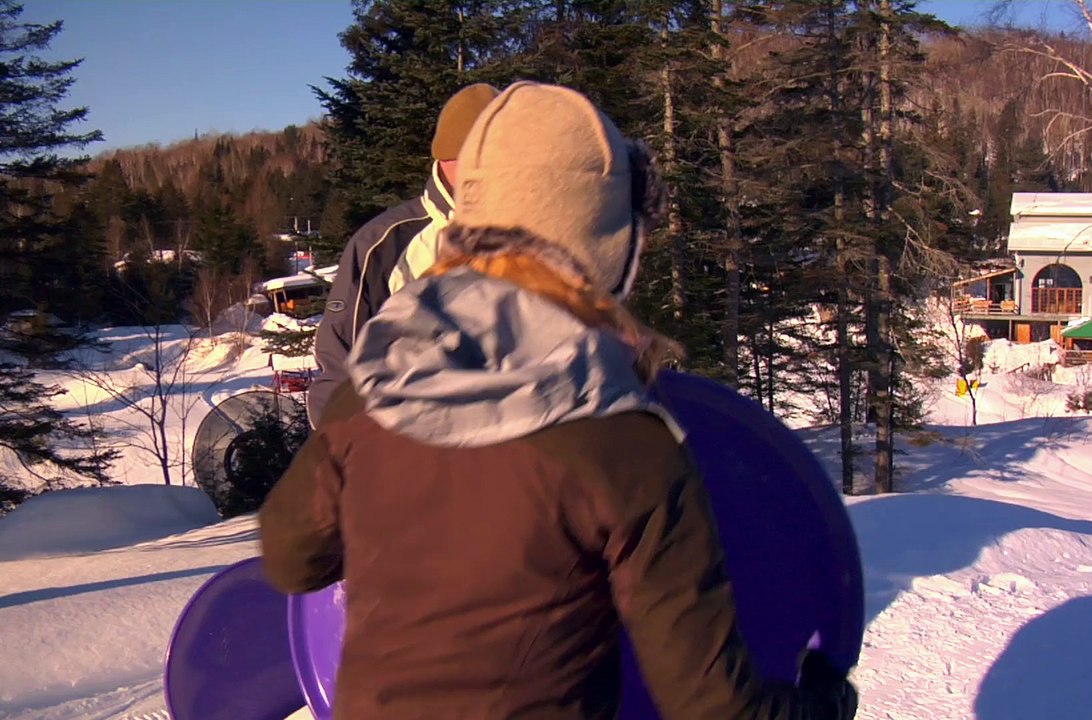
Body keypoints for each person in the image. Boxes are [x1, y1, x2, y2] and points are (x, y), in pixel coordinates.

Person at [259, 81, 857, 719]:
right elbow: (714, 707)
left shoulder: (374, 393)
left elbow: (292, 558)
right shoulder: (628, 446)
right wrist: (820, 703)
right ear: (608, 248)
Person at [306, 82, 500, 427]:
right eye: (470, 154)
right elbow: (340, 363)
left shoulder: (539, 236)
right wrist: (342, 455)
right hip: (412, 447)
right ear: (444, 157)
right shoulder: (383, 244)